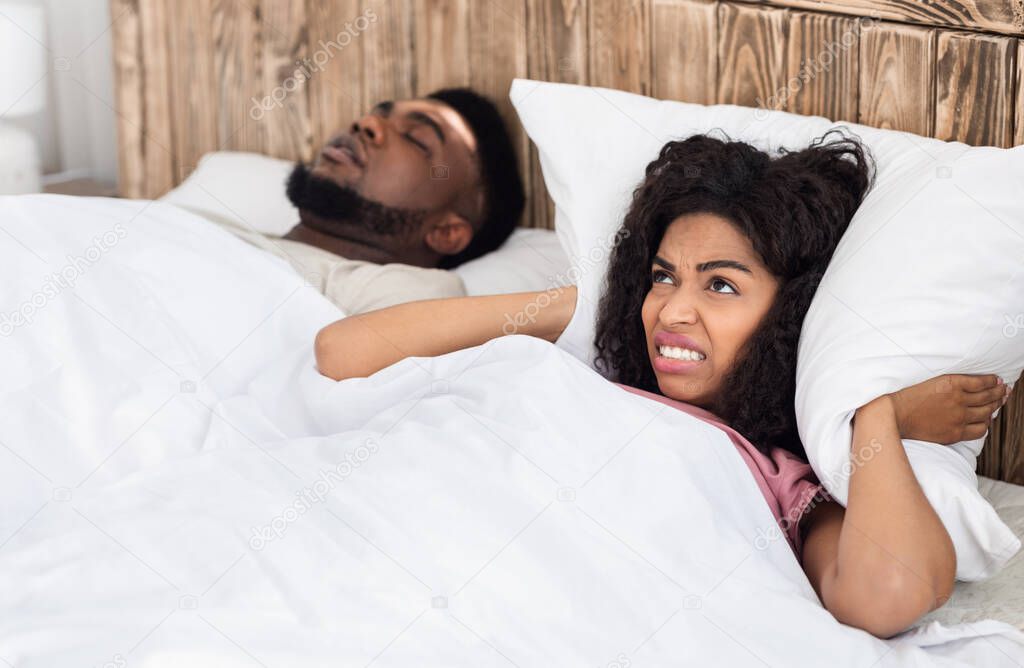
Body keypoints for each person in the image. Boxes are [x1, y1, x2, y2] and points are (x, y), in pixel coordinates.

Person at [311, 132, 1010, 638]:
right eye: (663, 276)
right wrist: (586, 307)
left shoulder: (784, 483)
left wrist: (872, 414)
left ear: (791, 316)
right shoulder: (590, 377)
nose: (673, 309)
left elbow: (888, 596)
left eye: (722, 285)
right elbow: (341, 353)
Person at [223, 87, 525, 314]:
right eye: (378, 114)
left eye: (415, 139)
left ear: (445, 232)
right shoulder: (215, 229)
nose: (366, 123)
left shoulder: (404, 292)